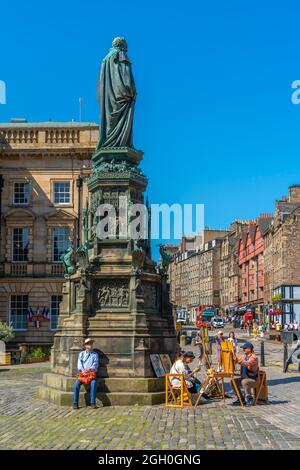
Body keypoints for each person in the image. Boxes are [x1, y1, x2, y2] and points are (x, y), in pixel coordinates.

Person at [73, 338, 99, 409]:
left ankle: (93, 402)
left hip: (90, 374)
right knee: (76, 385)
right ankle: (75, 403)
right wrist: (83, 370)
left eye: (91, 343)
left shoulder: (95, 354)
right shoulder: (81, 354)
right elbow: (79, 363)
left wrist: (90, 369)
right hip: (83, 375)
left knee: (93, 383)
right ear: (85, 346)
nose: (91, 345)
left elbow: (95, 364)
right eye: (89, 343)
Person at [232, 342, 259, 406]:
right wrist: (233, 354)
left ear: (249, 349)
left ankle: (249, 399)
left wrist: (238, 361)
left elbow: (248, 363)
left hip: (253, 379)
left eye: (244, 348)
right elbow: (237, 359)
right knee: (233, 381)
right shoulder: (244, 356)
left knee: (244, 382)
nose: (243, 350)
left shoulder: (254, 357)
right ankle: (240, 398)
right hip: (244, 377)